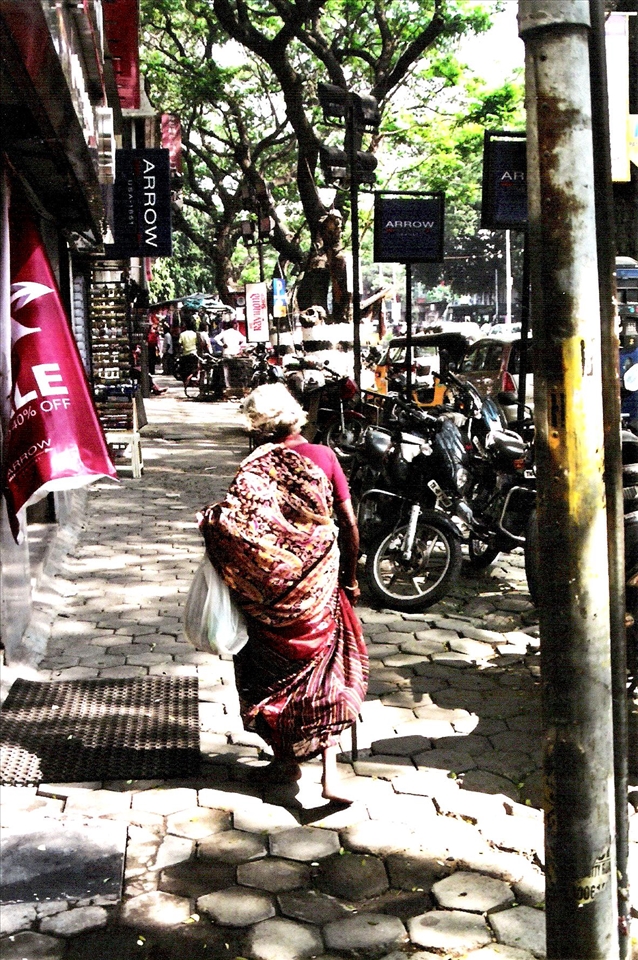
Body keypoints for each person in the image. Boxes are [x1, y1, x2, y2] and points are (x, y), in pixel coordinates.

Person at [198, 383, 368, 803]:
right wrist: (349, 575)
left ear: (257, 425)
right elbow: (347, 523)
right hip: (320, 590)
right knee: (327, 675)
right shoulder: (324, 457)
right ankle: (329, 771)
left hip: (268, 597)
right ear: (295, 415)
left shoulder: (253, 466)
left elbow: (236, 529)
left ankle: (285, 759)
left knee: (270, 675)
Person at [214, 317, 247, 390]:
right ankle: (235, 385)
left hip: (226, 353)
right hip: (235, 353)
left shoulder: (225, 332)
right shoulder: (236, 333)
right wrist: (240, 346)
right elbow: (244, 339)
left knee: (226, 371)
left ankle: (228, 385)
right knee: (235, 370)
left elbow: (216, 338)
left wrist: (222, 344)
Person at [179, 317, 199, 389]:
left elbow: (180, 344)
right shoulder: (195, 334)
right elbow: (198, 343)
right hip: (194, 354)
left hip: (185, 354)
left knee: (185, 369)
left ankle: (186, 381)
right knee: (193, 369)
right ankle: (192, 381)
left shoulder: (182, 334)